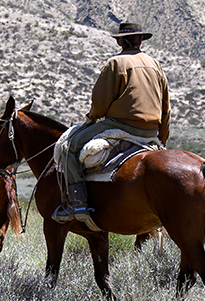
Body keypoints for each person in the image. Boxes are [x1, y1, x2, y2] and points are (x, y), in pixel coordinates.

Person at [54, 21, 171, 222]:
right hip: (151, 130)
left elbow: (100, 102)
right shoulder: (155, 65)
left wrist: (91, 118)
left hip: (120, 125)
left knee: (67, 148)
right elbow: (166, 107)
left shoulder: (115, 63)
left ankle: (77, 204)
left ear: (120, 43)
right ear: (140, 41)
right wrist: (162, 138)